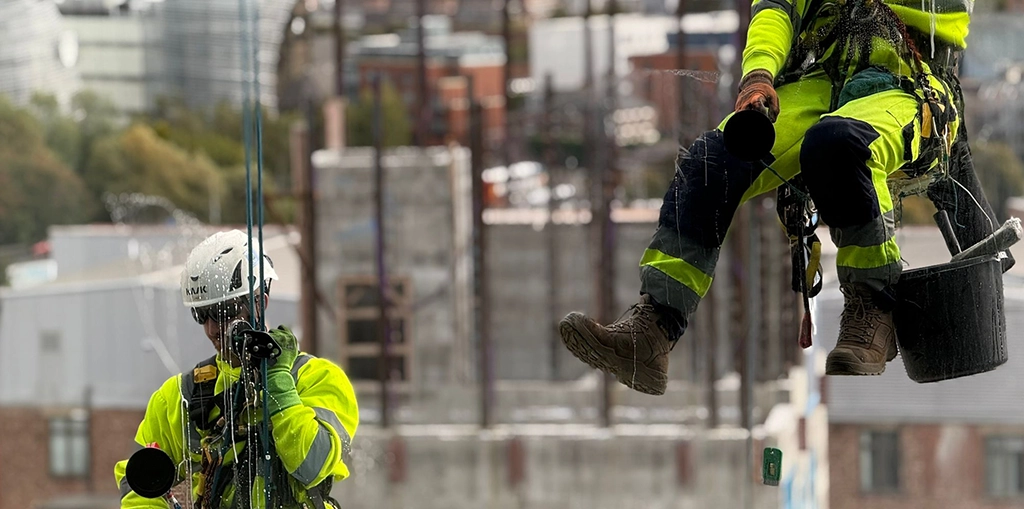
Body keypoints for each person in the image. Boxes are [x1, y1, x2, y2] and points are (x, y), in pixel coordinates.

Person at [559, 0, 985, 395]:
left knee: (838, 143)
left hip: (911, 85)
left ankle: (873, 307)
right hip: (825, 81)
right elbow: (777, 8)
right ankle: (654, 329)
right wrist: (760, 75)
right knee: (713, 159)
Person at [114, 229, 359, 509]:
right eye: (202, 314)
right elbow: (137, 483)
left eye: (224, 311)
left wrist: (277, 380)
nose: (212, 328)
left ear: (260, 304)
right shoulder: (182, 396)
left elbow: (311, 464)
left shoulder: (317, 380)